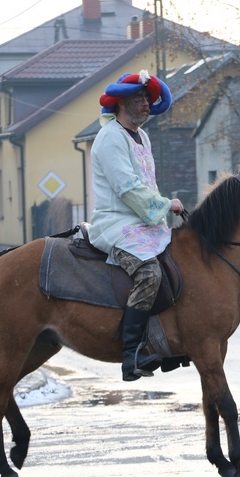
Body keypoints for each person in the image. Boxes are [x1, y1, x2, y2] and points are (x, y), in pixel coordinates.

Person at [89, 70, 184, 381]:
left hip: (144, 222)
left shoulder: (142, 136)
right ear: (121, 104)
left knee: (181, 264)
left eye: (147, 98)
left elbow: (147, 183)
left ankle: (167, 344)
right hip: (116, 223)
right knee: (149, 273)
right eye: (139, 99)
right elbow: (128, 188)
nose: (146, 104)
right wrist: (164, 204)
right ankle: (131, 355)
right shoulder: (110, 138)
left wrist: (161, 207)